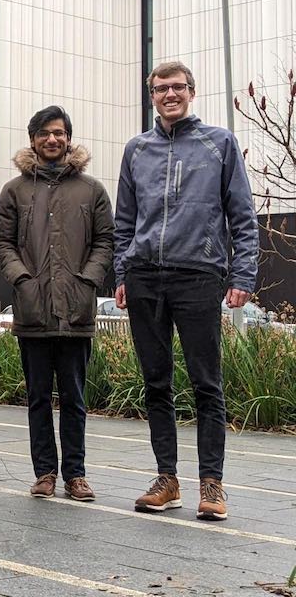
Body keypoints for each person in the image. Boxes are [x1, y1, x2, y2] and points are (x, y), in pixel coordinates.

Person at [115, 61, 258, 521]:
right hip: (144, 278)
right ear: (151, 95)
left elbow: (242, 215)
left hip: (198, 275)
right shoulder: (137, 149)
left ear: (191, 92)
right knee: (156, 382)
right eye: (160, 88)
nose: (169, 94)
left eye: (177, 87)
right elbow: (124, 221)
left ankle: (212, 484)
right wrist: (122, 273)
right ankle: (167, 479)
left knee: (206, 384)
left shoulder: (219, 143)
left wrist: (242, 276)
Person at [0, 106, 114, 501]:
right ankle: (44, 472)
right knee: (39, 397)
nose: (52, 140)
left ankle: (76, 474)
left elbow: (105, 242)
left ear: (68, 138)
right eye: (44, 133)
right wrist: (23, 280)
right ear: (32, 139)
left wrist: (87, 280)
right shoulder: (14, 190)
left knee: (75, 398)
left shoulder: (91, 190)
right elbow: (3, 243)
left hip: (76, 310)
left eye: (59, 133)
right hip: (33, 310)